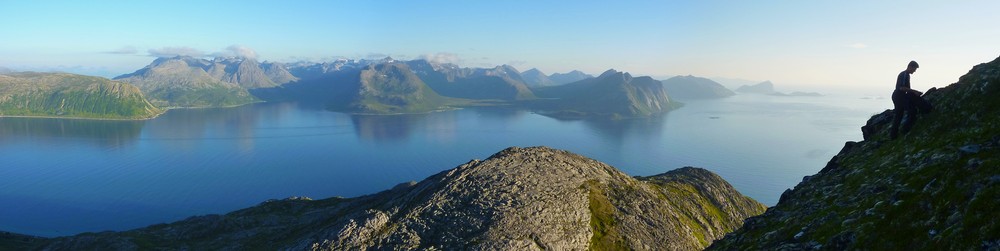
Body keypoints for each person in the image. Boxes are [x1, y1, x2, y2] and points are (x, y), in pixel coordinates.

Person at [890, 60, 922, 140]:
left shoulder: (905, 74)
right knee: (912, 111)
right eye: (914, 69)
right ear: (910, 67)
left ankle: (893, 136)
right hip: (899, 97)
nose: (914, 71)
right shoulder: (905, 74)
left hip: (897, 96)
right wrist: (914, 91)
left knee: (899, 115)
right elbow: (902, 88)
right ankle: (905, 130)